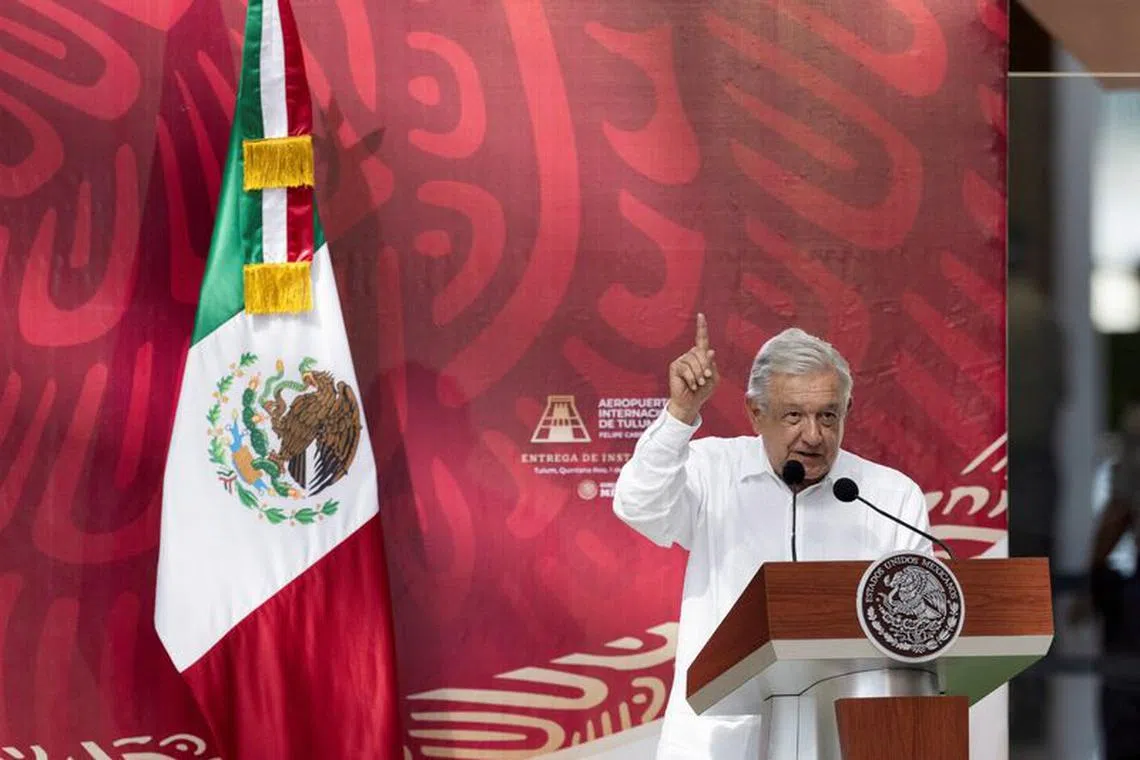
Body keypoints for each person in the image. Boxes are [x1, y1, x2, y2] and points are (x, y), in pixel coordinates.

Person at [612, 315, 933, 760]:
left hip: (852, 739)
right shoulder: (712, 469)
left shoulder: (890, 496)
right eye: (794, 416)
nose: (814, 435)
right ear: (755, 413)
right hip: (719, 743)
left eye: (828, 415)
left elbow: (925, 634)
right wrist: (681, 414)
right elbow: (638, 505)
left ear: (847, 412)